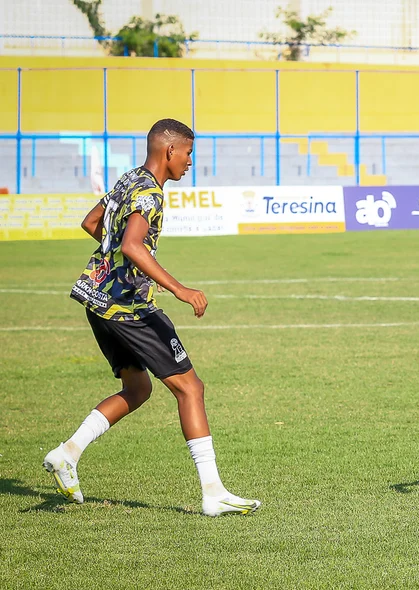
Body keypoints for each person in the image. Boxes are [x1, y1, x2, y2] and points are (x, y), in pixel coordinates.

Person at [43, 118, 261, 517]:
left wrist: (120, 263)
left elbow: (92, 223)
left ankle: (67, 453)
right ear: (169, 151)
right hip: (128, 308)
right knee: (190, 389)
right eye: (189, 152)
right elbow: (131, 244)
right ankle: (213, 494)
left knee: (138, 389)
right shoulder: (150, 193)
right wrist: (180, 288)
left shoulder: (129, 180)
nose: (191, 161)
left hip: (97, 299)